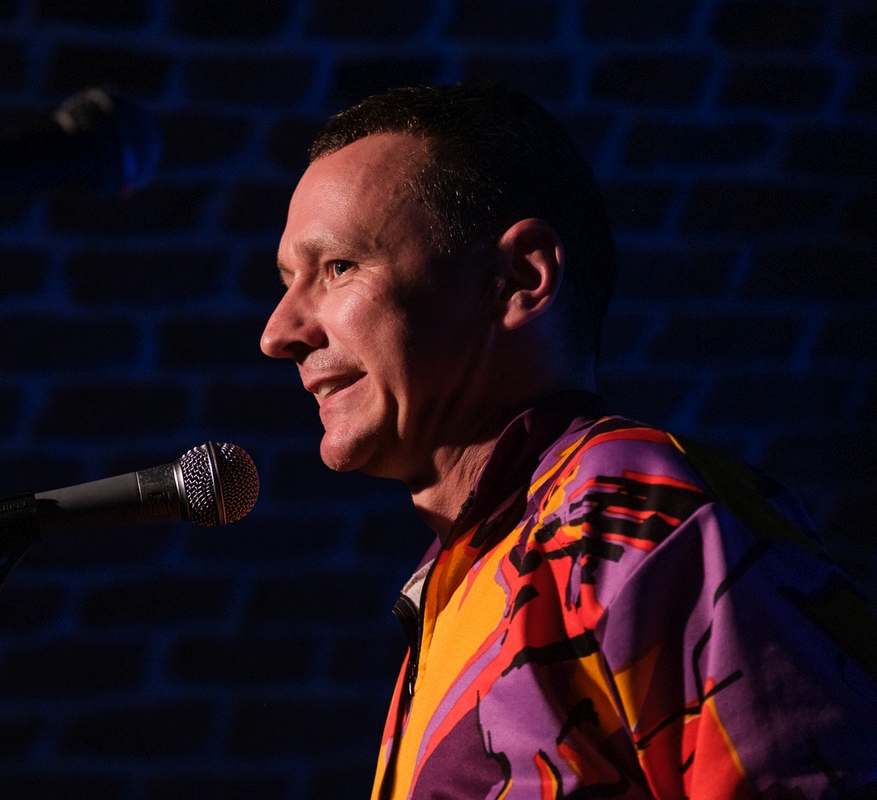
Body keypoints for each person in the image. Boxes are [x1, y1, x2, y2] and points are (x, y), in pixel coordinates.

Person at [259, 83, 877, 799]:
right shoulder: (473, 570)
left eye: (339, 267)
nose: (279, 333)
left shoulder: (633, 511)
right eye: (288, 281)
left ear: (521, 278)